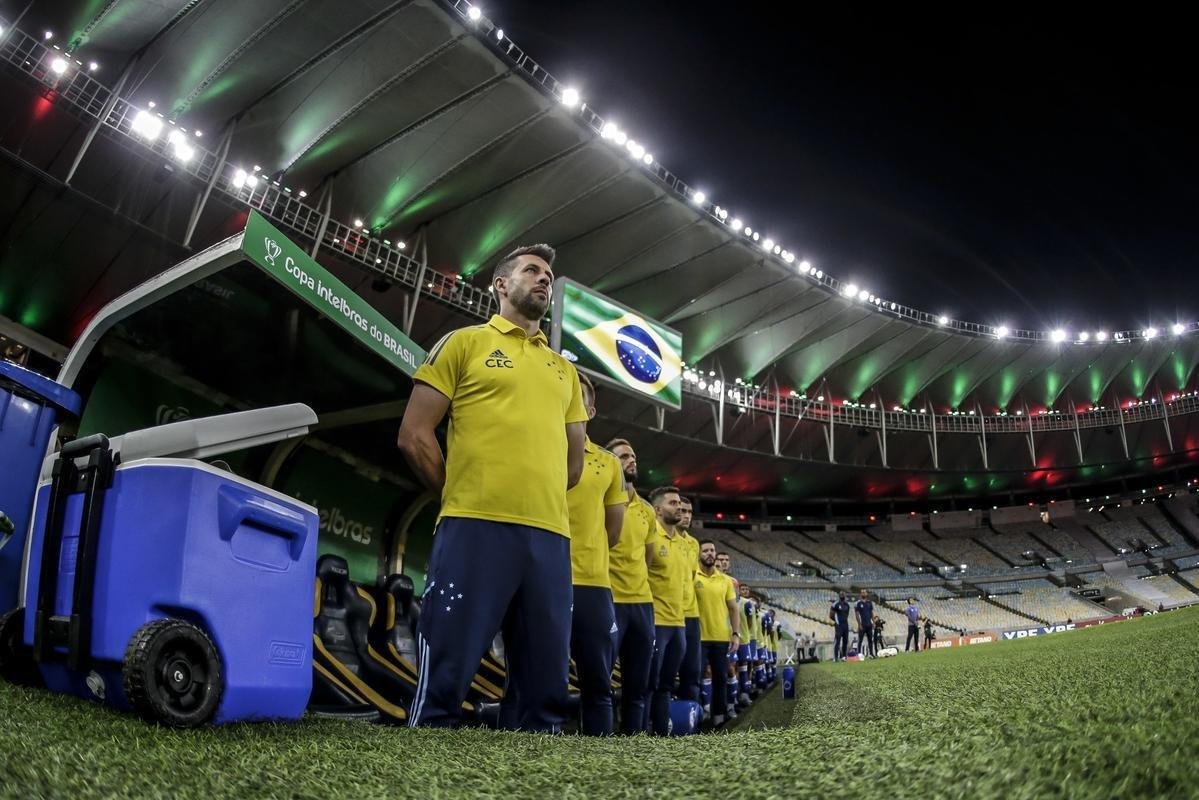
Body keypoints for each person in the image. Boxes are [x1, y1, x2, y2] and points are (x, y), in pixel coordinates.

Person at [398, 243, 587, 731]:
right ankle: (425, 758)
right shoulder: (463, 343)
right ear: (501, 286)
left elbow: (572, 465)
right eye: (532, 270)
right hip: (474, 527)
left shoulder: (565, 371)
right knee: (446, 671)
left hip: (549, 539)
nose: (544, 278)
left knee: (545, 692)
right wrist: (461, 496)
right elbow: (414, 435)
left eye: (548, 273)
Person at [564, 373, 627, 735]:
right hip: (542, 580)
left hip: (592, 583)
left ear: (590, 409)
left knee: (598, 683)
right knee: (538, 679)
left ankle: (599, 754)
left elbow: (613, 532)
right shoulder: (539, 448)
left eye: (578, 398)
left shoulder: (608, 463)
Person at [606, 438, 660, 734]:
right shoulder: (600, 498)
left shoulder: (647, 510)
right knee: (601, 683)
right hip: (609, 599)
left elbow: (647, 558)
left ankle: (633, 741)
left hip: (641, 604)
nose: (632, 460)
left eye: (633, 455)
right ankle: (598, 745)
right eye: (624, 456)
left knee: (637, 685)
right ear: (611, 462)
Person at [646, 486, 689, 735]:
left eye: (681, 505)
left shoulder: (683, 544)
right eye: (674, 504)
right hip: (655, 621)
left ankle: (661, 734)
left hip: (678, 623)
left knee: (666, 684)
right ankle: (641, 732)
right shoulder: (651, 537)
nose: (680, 509)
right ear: (658, 509)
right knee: (649, 683)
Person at [694, 540, 740, 726]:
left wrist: (735, 633)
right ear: (699, 554)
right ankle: (697, 715)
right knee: (695, 677)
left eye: (712, 550)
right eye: (705, 550)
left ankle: (718, 718)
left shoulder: (725, 580)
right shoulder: (692, 576)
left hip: (721, 637)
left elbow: (733, 608)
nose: (710, 553)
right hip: (697, 637)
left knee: (720, 678)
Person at [674, 497, 703, 707]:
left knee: (692, 670)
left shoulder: (694, 544)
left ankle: (690, 718)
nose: (686, 515)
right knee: (666, 670)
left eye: (690, 512)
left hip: (691, 614)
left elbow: (692, 576)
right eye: (682, 510)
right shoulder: (660, 536)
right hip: (668, 614)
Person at [829, 592, 851, 661]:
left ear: (845, 595)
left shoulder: (847, 605)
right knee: (837, 640)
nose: (842, 595)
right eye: (841, 594)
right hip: (839, 625)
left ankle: (844, 656)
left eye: (843, 594)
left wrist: (844, 620)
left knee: (845, 640)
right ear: (839, 596)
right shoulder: (835, 604)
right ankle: (835, 657)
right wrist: (836, 621)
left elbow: (847, 614)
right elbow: (831, 615)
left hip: (845, 624)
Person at [854, 589, 875, 658]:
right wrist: (859, 624)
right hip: (862, 624)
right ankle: (859, 654)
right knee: (860, 640)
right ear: (860, 594)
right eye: (862, 592)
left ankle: (871, 654)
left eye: (865, 592)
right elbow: (857, 615)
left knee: (870, 640)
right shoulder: (858, 603)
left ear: (866, 594)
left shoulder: (869, 603)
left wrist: (873, 622)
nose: (863, 593)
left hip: (869, 624)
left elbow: (871, 613)